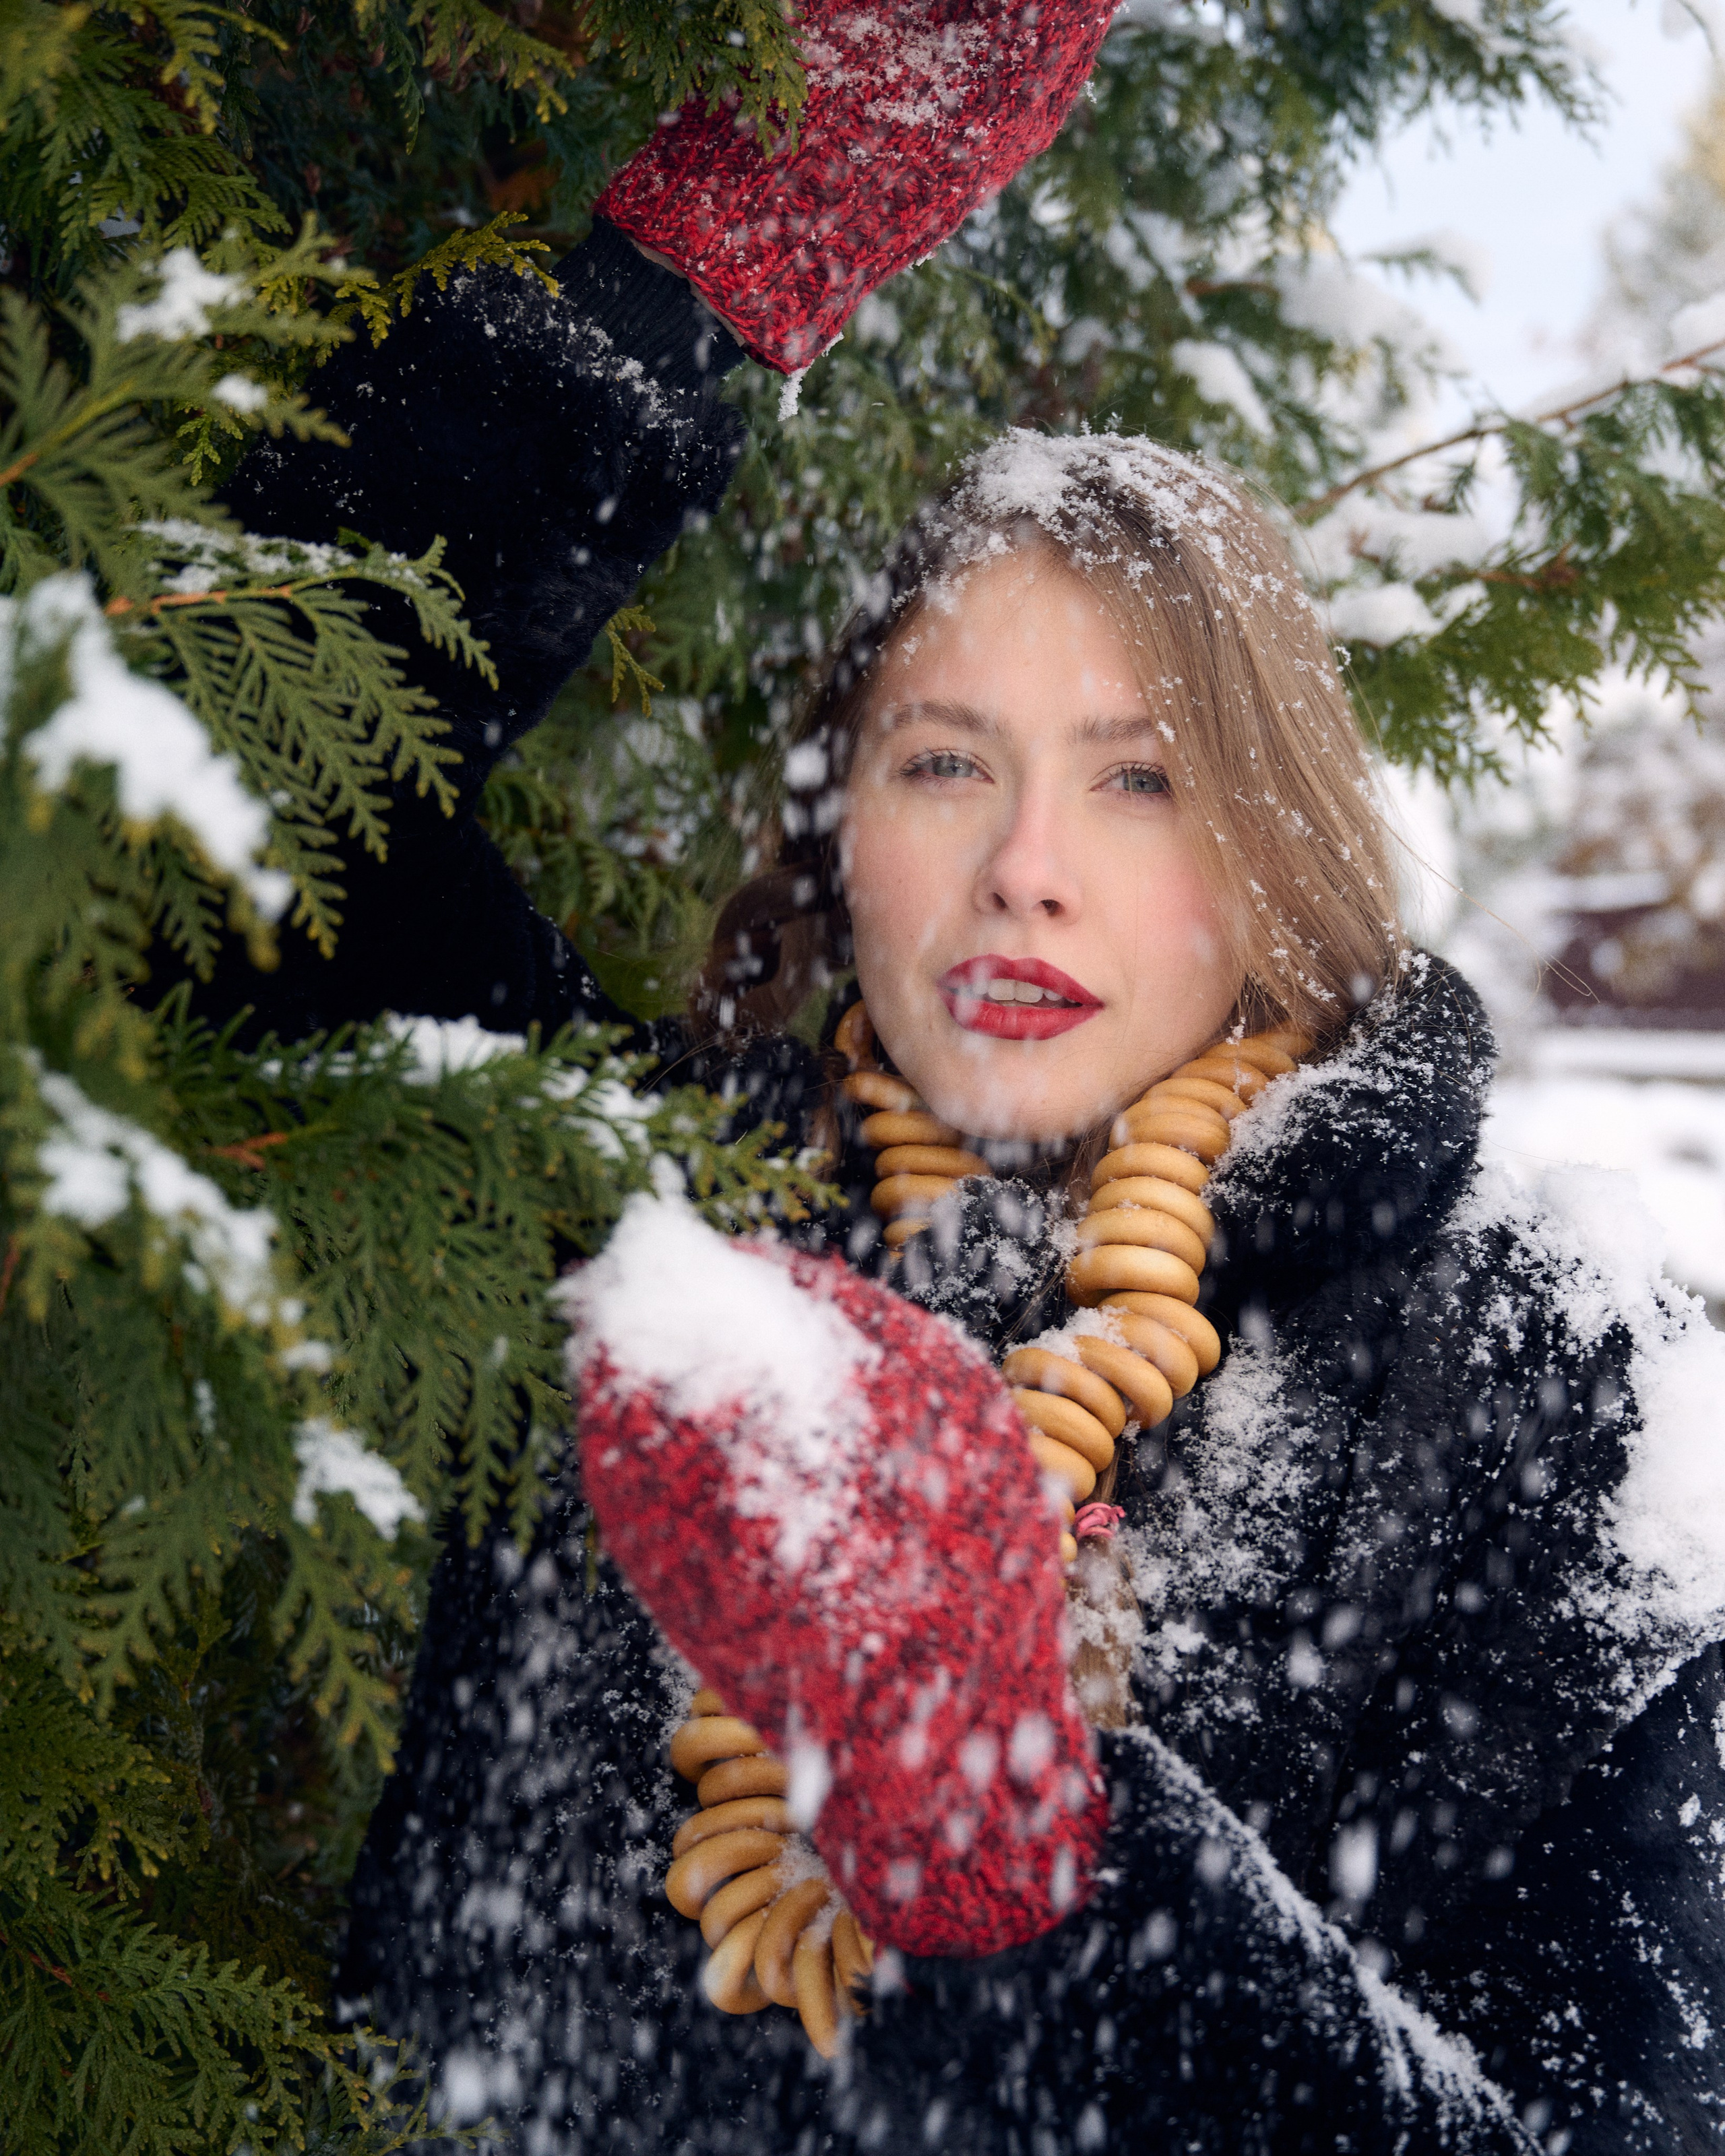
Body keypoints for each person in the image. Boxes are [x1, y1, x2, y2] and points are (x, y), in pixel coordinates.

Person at [210, 5, 1725, 2149]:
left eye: (1140, 780)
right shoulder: (639, 1209)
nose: (1025, 869)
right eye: (948, 764)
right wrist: (701, 274)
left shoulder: (1553, 1366)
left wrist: (1073, 1856)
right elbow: (219, 766)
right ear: (842, 827)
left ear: (1276, 849)